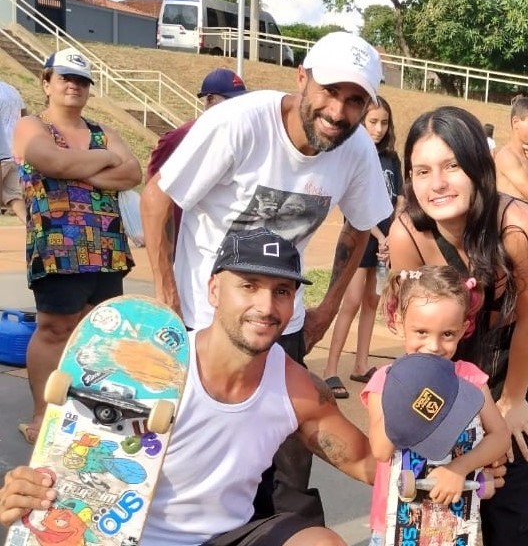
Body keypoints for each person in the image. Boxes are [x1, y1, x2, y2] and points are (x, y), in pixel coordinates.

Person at [140, 31, 393, 525]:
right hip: (201, 316)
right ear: (302, 78)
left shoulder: (357, 149)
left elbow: (360, 228)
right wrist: (167, 298)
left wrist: (324, 311)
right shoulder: (238, 123)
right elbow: (157, 196)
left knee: (288, 468)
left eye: (355, 100)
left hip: (281, 319)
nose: (339, 112)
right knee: (178, 451)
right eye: (329, 92)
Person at [0, 228, 376, 546]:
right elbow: (74, 463)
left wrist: (432, 470)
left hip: (229, 537)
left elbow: (365, 462)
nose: (266, 306)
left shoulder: (298, 388)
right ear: (214, 290)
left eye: (281, 291)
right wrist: (28, 489)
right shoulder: (148, 368)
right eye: (249, 285)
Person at [387, 105, 528, 545]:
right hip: (448, 359)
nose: (437, 184)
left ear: (479, 167)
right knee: (439, 489)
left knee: (513, 491)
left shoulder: (518, 227)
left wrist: (512, 401)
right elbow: (416, 336)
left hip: (514, 356)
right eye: (421, 171)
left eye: (451, 166)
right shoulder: (407, 234)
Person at [13, 48, 141, 445]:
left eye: (82, 80)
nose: (73, 85)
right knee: (54, 330)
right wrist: (102, 161)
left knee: (97, 335)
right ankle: (43, 412)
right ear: (47, 83)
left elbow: (133, 172)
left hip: (105, 249)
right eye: (65, 77)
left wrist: (77, 167)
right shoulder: (30, 125)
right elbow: (51, 162)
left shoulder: (101, 128)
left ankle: (87, 411)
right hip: (57, 248)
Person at [362, 265, 509, 544]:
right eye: (421, 332)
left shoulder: (469, 379)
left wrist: (459, 468)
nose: (434, 346)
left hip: (451, 523)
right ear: (398, 319)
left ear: (464, 328)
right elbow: (381, 450)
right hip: (396, 523)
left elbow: (500, 437)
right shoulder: (385, 380)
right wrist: (410, 390)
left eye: (447, 334)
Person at [322, 95, 403, 398]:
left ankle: (361, 365)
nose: (379, 128)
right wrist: (380, 238)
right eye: (373, 122)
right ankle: (330, 369)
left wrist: (392, 238)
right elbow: (354, 205)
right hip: (361, 241)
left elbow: (400, 199)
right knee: (352, 301)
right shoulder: (355, 155)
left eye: (384, 122)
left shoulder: (391, 158)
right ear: (361, 122)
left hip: (385, 245)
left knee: (372, 300)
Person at [145, 68, 248, 243]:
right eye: (231, 101)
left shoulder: (241, 135)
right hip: (185, 235)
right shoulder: (181, 137)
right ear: (209, 100)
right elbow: (154, 186)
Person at [0, 80, 26, 222]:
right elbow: (25, 116)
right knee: (14, 196)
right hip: (14, 153)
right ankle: (33, 230)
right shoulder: (12, 90)